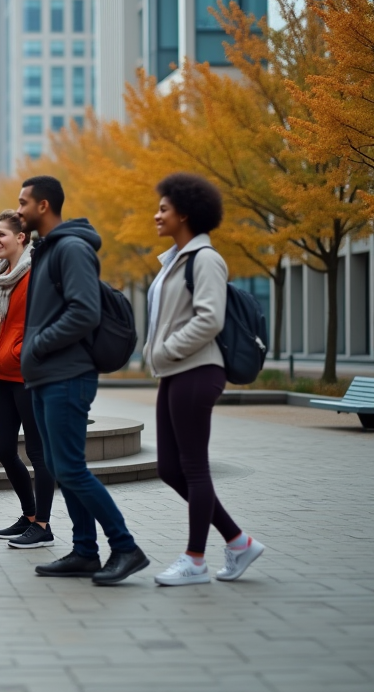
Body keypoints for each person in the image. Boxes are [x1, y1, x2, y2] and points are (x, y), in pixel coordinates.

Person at [16, 175, 149, 585]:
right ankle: (85, 551)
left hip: (66, 376)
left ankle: (125, 547)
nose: (18, 209)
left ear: (43, 206)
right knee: (58, 465)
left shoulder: (71, 249)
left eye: (23, 202)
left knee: (71, 468)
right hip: (46, 377)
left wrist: (38, 345)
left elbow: (85, 312)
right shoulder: (46, 249)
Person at [145, 173, 265, 586]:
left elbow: (210, 318)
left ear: (186, 213)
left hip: (198, 370)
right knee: (168, 468)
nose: (156, 215)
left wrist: (164, 350)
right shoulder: (174, 260)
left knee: (193, 467)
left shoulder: (205, 260)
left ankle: (195, 559)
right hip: (176, 372)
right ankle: (237, 541)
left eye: (163, 208)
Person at [0, 210, 55, 550]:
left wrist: (24, 351)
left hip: (27, 374)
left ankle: (43, 525)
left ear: (21, 238)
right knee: (4, 450)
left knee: (38, 452)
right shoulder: (2, 275)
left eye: (2, 234)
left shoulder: (35, 274)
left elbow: (45, 319)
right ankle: (28, 515)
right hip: (2, 375)